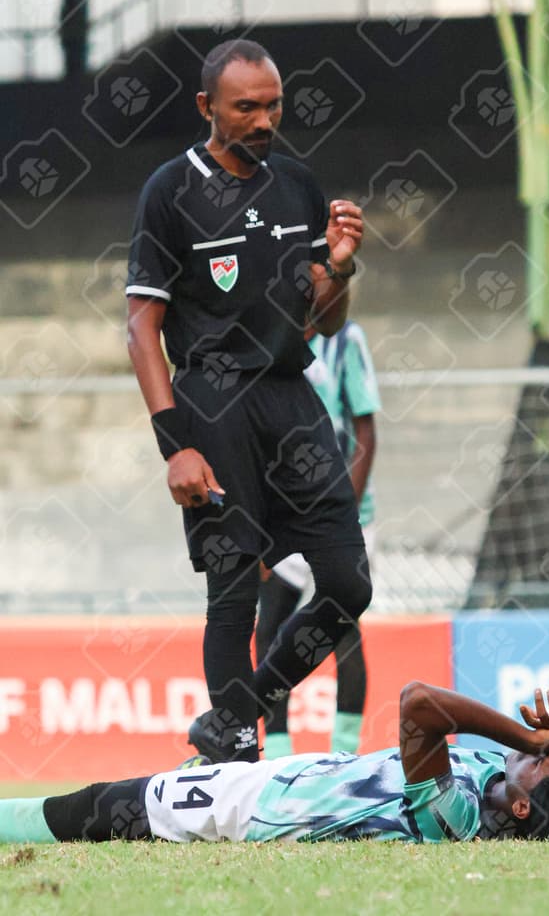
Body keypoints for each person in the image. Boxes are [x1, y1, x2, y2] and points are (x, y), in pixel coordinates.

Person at [125, 38, 372, 764]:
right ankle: (236, 753)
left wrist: (338, 265)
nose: (265, 120)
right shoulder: (169, 191)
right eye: (247, 107)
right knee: (234, 594)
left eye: (273, 105)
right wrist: (178, 444)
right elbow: (142, 327)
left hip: (293, 395)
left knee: (347, 583)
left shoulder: (297, 184)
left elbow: (320, 318)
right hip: (214, 403)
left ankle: (244, 708)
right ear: (207, 107)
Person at [0, 675, 549, 844]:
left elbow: (420, 704)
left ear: (522, 804)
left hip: (251, 808)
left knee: (90, 808)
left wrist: (533, 740)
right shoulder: (517, 794)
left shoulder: (456, 819)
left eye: (545, 765)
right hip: (282, 777)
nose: (538, 755)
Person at [255, 318, 380, 759]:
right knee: (269, 625)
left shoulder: (345, 340)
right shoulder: (266, 333)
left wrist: (342, 514)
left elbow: (365, 433)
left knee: (342, 626)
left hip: (342, 514)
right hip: (284, 516)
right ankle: (277, 752)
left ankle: (343, 754)